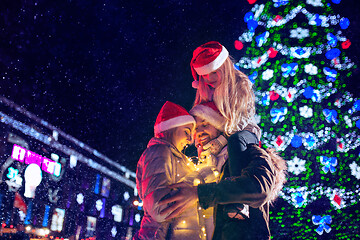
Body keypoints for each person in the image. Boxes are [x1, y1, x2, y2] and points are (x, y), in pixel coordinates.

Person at [135, 101, 209, 240]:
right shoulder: (159, 151)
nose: (189, 140)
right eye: (186, 132)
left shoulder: (174, 157)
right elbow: (160, 208)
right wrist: (198, 179)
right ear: (170, 130)